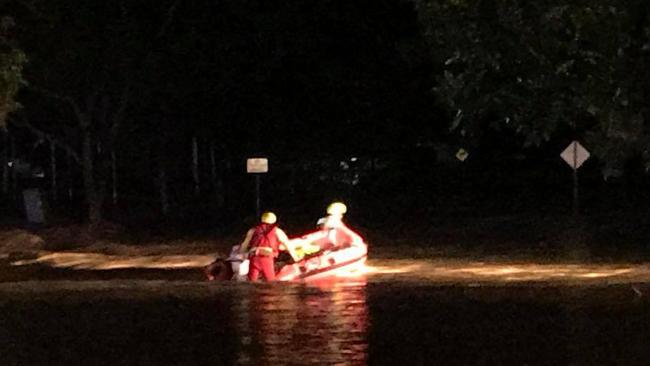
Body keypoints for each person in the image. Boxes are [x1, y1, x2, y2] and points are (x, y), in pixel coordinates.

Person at [239, 211, 294, 281]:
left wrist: (241, 253)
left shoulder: (253, 230)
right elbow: (287, 245)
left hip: (254, 257)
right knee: (271, 282)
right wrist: (295, 257)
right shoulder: (277, 231)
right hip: (267, 258)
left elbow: (245, 244)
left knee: (252, 281)